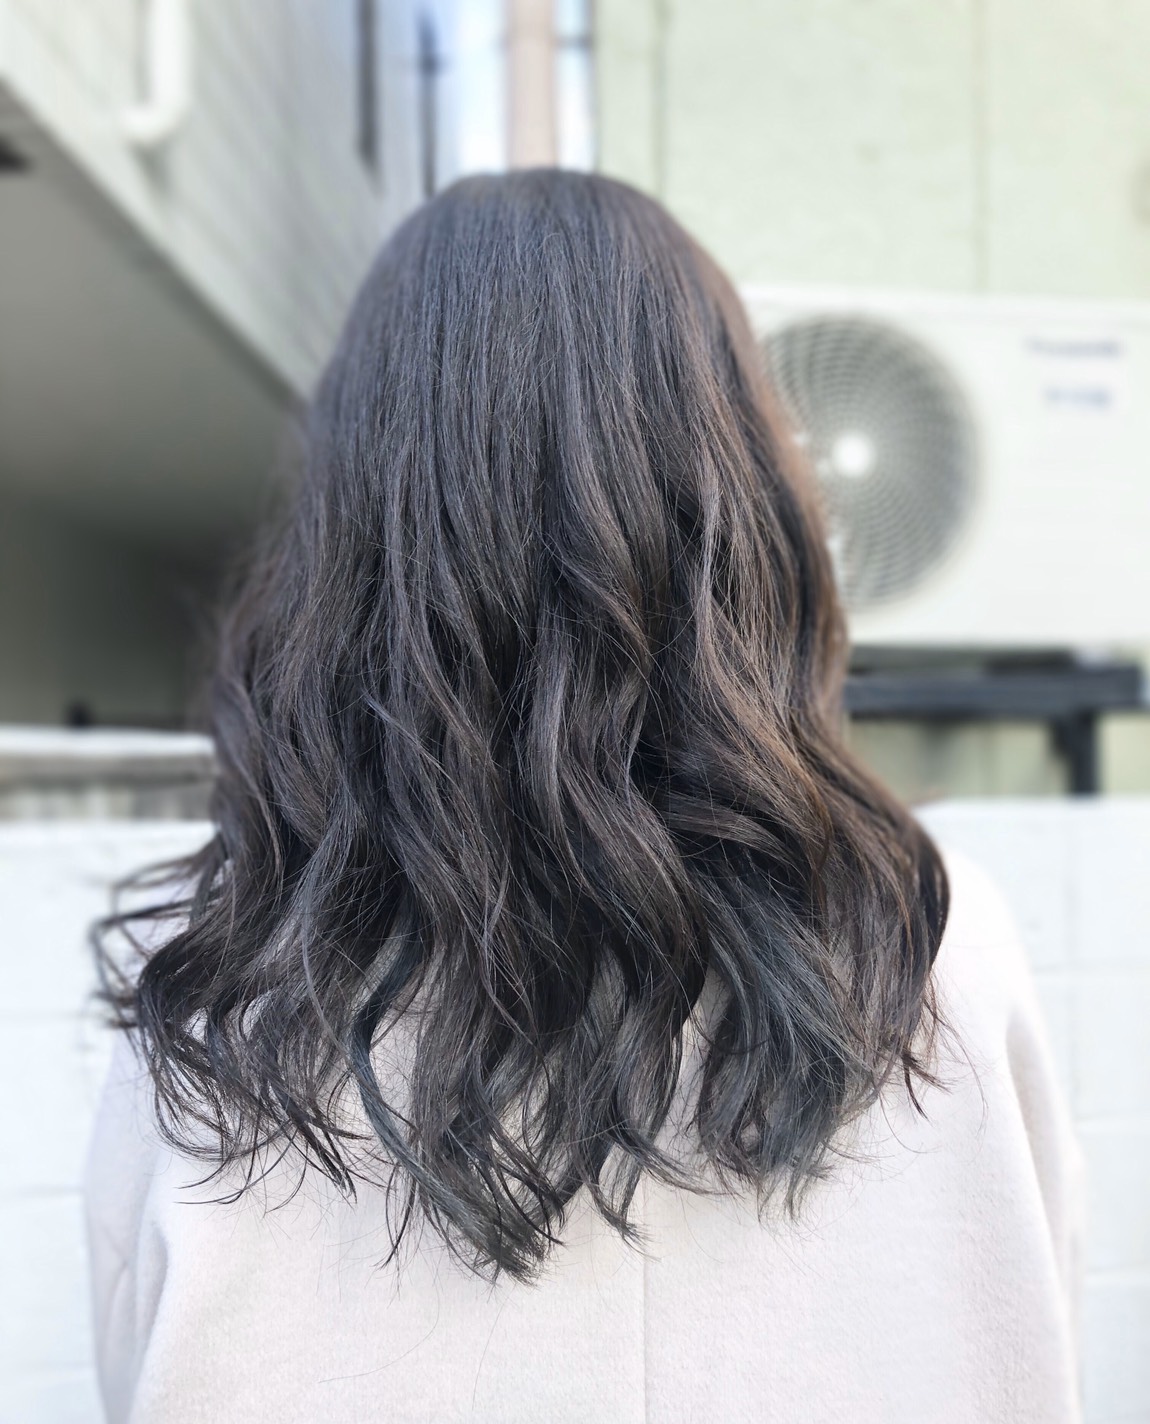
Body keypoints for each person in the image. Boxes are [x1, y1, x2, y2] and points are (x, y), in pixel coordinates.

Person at [85, 169, 1083, 1423]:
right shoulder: (932, 953)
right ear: (739, 500)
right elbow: (1036, 1344)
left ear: (353, 532)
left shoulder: (221, 1010)